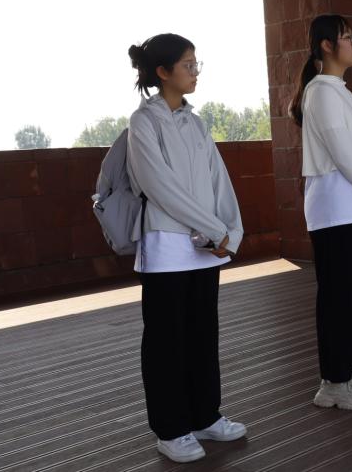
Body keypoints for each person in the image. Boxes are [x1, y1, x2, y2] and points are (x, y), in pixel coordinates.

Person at [126, 34, 246, 463]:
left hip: (204, 247)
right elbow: (159, 187)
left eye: (197, 65)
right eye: (188, 65)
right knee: (166, 342)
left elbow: (219, 180)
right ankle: (171, 429)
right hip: (165, 247)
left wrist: (232, 231)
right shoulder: (144, 122)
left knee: (202, 334)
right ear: (163, 72)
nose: (195, 72)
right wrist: (215, 228)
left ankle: (205, 416)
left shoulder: (196, 123)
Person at [290, 14, 352, 410]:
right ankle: (333, 382)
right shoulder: (321, 91)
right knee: (338, 298)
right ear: (327, 45)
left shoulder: (340, 91)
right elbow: (344, 155)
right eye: (346, 37)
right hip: (333, 211)